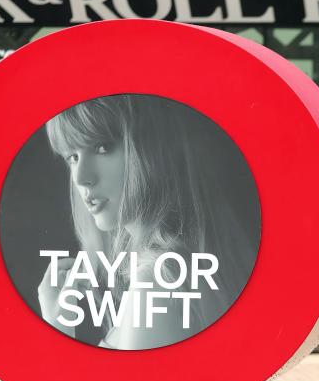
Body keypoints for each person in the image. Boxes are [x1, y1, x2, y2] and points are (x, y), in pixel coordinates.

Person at [36, 94, 259, 350]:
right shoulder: (174, 269)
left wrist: (56, 330)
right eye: (72, 157)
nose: (81, 178)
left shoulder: (157, 281)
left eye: (102, 147)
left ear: (151, 149)